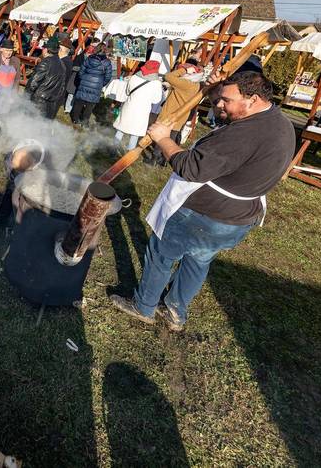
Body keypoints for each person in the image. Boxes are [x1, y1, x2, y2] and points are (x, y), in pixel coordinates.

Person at [110, 70, 295, 331]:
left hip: (205, 214)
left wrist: (163, 138)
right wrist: (214, 90)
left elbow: (191, 168)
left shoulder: (243, 135)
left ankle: (144, 306)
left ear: (252, 99)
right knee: (198, 259)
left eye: (226, 100)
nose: (220, 104)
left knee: (161, 255)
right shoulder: (279, 122)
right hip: (238, 217)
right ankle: (175, 310)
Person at [113, 60, 163, 149]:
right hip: (142, 110)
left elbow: (128, 91)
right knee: (135, 133)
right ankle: (129, 153)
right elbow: (156, 100)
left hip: (129, 106)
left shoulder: (134, 77)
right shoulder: (156, 83)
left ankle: (113, 148)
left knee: (122, 128)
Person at [71, 41, 113, 126]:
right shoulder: (107, 62)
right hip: (97, 85)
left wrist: (83, 79)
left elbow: (81, 71)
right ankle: (84, 121)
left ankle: (75, 119)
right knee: (90, 105)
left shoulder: (89, 58)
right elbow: (108, 77)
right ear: (105, 51)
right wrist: (101, 83)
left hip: (85, 82)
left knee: (79, 102)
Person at [26, 36, 68, 119]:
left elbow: (33, 84)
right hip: (51, 103)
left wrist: (25, 98)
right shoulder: (63, 65)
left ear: (46, 49)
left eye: (43, 48)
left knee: (31, 126)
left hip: (38, 103)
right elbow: (62, 88)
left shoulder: (46, 62)